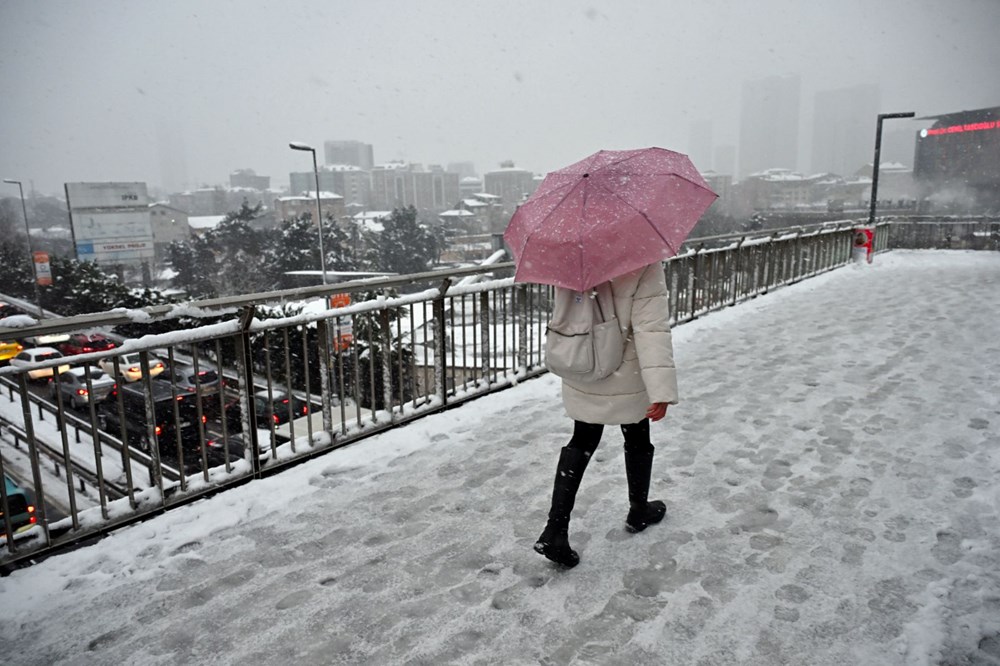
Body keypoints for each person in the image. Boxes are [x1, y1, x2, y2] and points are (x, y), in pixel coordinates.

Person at [534, 261, 679, 568]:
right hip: (626, 369)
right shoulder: (643, 261)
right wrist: (661, 391)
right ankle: (638, 509)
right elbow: (650, 329)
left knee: (582, 440)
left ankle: (555, 528)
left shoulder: (576, 255)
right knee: (637, 435)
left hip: (584, 361)